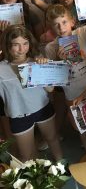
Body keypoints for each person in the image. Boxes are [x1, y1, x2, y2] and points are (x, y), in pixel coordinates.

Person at [44, 4, 86, 152]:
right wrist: (58, 60)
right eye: (56, 25)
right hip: (71, 93)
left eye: (64, 22)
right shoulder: (50, 48)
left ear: (72, 22)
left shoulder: (82, 32)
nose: (61, 28)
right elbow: (54, 80)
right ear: (51, 28)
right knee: (82, 127)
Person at [0, 25, 63, 162]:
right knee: (28, 155)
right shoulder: (1, 68)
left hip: (42, 108)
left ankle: (60, 164)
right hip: (19, 115)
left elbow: (50, 89)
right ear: (7, 45)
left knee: (52, 139)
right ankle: (38, 179)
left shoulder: (35, 60)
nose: (22, 49)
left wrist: (43, 67)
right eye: (16, 45)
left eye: (25, 43)